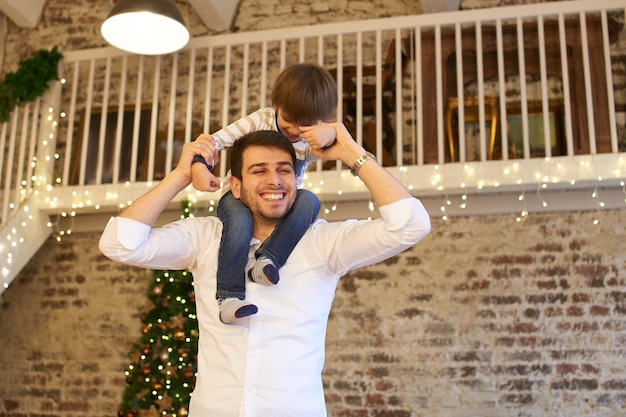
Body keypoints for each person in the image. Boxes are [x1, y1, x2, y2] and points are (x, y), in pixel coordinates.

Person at [99, 124, 431, 416]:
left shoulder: (324, 242)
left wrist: (350, 152)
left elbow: (410, 226)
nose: (274, 180)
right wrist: (181, 175)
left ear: (296, 178)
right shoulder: (203, 237)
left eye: (284, 169)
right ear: (236, 186)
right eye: (259, 170)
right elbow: (119, 243)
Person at [190, 63, 337, 323]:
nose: (293, 131)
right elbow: (213, 141)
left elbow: (348, 152)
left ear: (318, 120)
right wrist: (200, 167)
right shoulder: (262, 119)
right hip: (238, 198)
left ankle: (266, 261)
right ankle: (229, 296)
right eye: (288, 120)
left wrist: (334, 131)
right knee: (240, 223)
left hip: (282, 200)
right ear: (277, 107)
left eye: (304, 125)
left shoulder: (314, 137)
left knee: (310, 201)